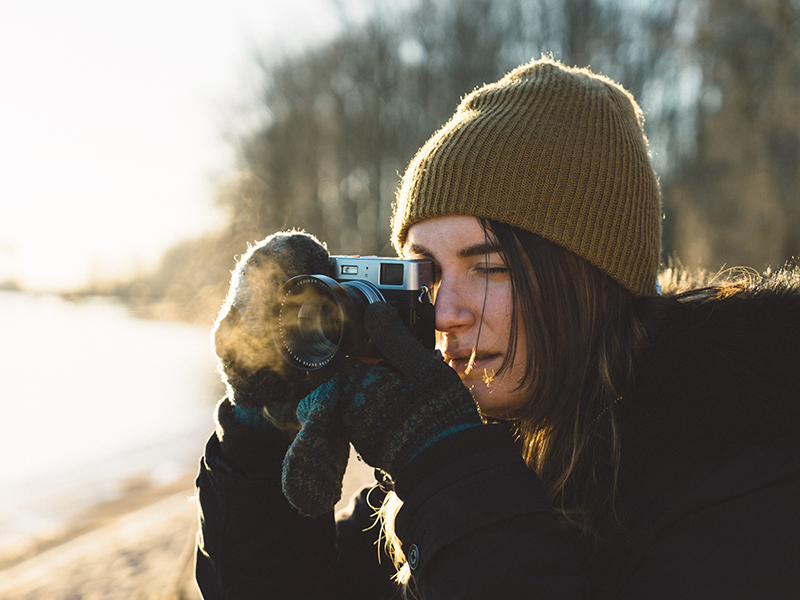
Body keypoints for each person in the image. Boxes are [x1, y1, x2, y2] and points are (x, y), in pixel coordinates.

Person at [194, 57, 800, 599]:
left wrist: (444, 464)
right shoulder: (483, 444)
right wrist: (261, 421)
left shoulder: (748, 472)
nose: (446, 311)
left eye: (490, 268)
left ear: (593, 278)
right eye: (425, 275)